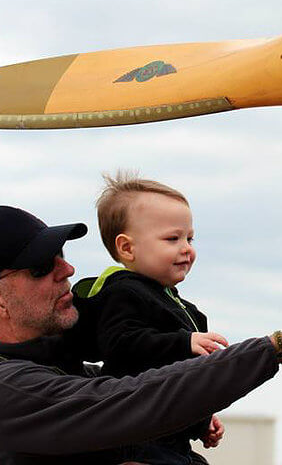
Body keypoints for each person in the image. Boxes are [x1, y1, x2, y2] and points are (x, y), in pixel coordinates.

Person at [0, 205, 282, 465]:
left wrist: (194, 422)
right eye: (40, 267)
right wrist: (277, 348)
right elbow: (136, 399)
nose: (66, 269)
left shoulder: (62, 372)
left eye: (61, 255)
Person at [68, 174, 229, 463]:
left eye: (189, 238)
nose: (186, 248)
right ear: (127, 248)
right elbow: (122, 345)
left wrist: (201, 421)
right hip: (136, 436)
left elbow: (180, 379)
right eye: (172, 238)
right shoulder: (122, 293)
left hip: (170, 437)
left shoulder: (187, 311)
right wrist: (184, 342)